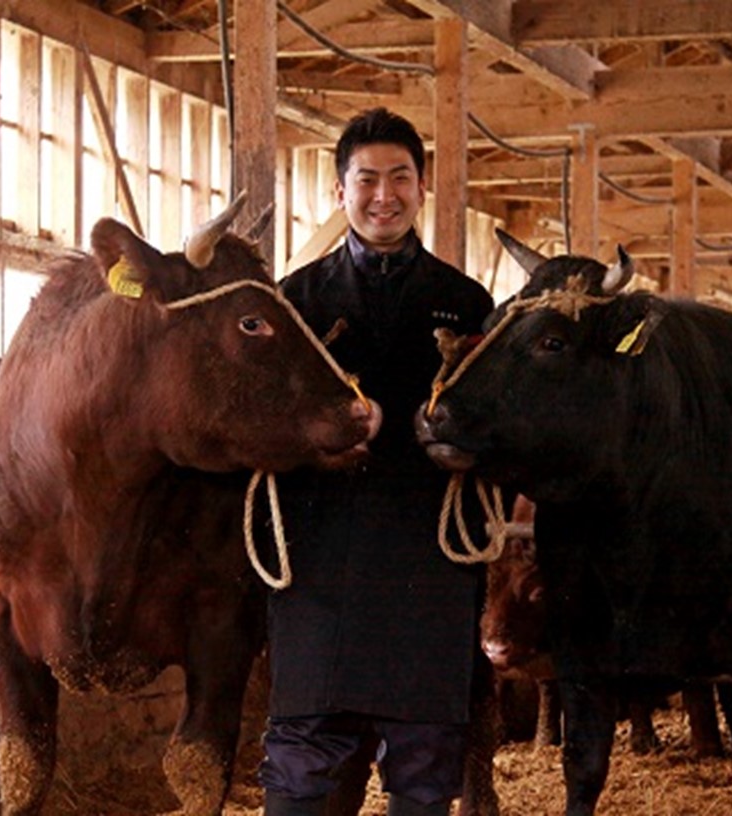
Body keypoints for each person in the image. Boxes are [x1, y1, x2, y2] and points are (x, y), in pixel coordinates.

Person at [258, 108, 496, 816]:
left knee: (424, 775)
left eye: (399, 178)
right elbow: (257, 425)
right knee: (302, 773)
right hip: (318, 559)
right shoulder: (294, 301)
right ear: (339, 192)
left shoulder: (464, 302)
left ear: (421, 187)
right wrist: (319, 436)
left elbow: (496, 429)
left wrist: (449, 435)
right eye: (366, 179)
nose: (382, 196)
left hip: (427, 560)